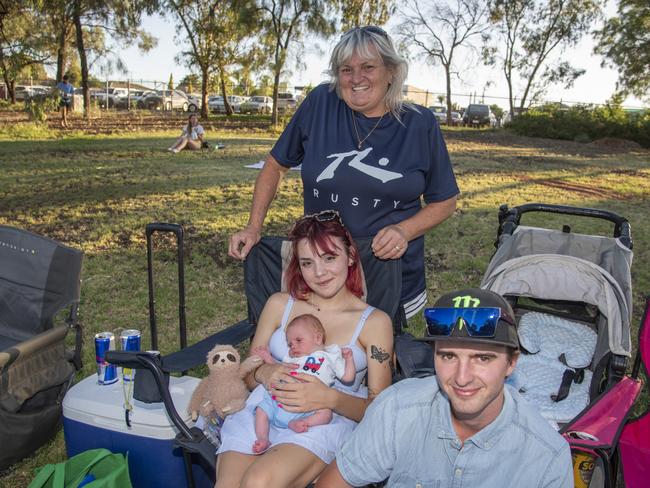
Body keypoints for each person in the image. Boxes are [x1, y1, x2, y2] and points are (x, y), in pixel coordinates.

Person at [229, 26, 459, 320]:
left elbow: (445, 201)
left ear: (391, 71)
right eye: (346, 69)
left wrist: (405, 231)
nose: (356, 78)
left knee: (378, 355)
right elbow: (275, 165)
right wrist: (253, 226)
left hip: (388, 272)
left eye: (368, 67)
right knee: (318, 351)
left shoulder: (419, 123)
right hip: (321, 271)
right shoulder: (320, 104)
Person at [316, 288, 574, 487]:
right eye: (449, 356)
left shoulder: (546, 457)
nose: (462, 378)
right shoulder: (396, 410)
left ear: (511, 363)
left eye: (482, 358)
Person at [216, 211, 393, 488]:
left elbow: (379, 409)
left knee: (258, 482)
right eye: (307, 263)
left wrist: (328, 398)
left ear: (350, 257)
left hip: (324, 420)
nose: (319, 273)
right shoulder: (279, 304)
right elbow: (247, 375)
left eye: (329, 258)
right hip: (264, 407)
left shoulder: (374, 322)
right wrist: (266, 372)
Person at [251, 313, 356, 453]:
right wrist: (267, 357)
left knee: (326, 413)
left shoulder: (330, 357)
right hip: (279, 399)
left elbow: (348, 377)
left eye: (298, 340)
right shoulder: (293, 358)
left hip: (309, 406)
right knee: (261, 410)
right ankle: (263, 438)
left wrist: (349, 359)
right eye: (290, 344)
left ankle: (303, 423)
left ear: (317, 338)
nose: (292, 346)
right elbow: (277, 369)